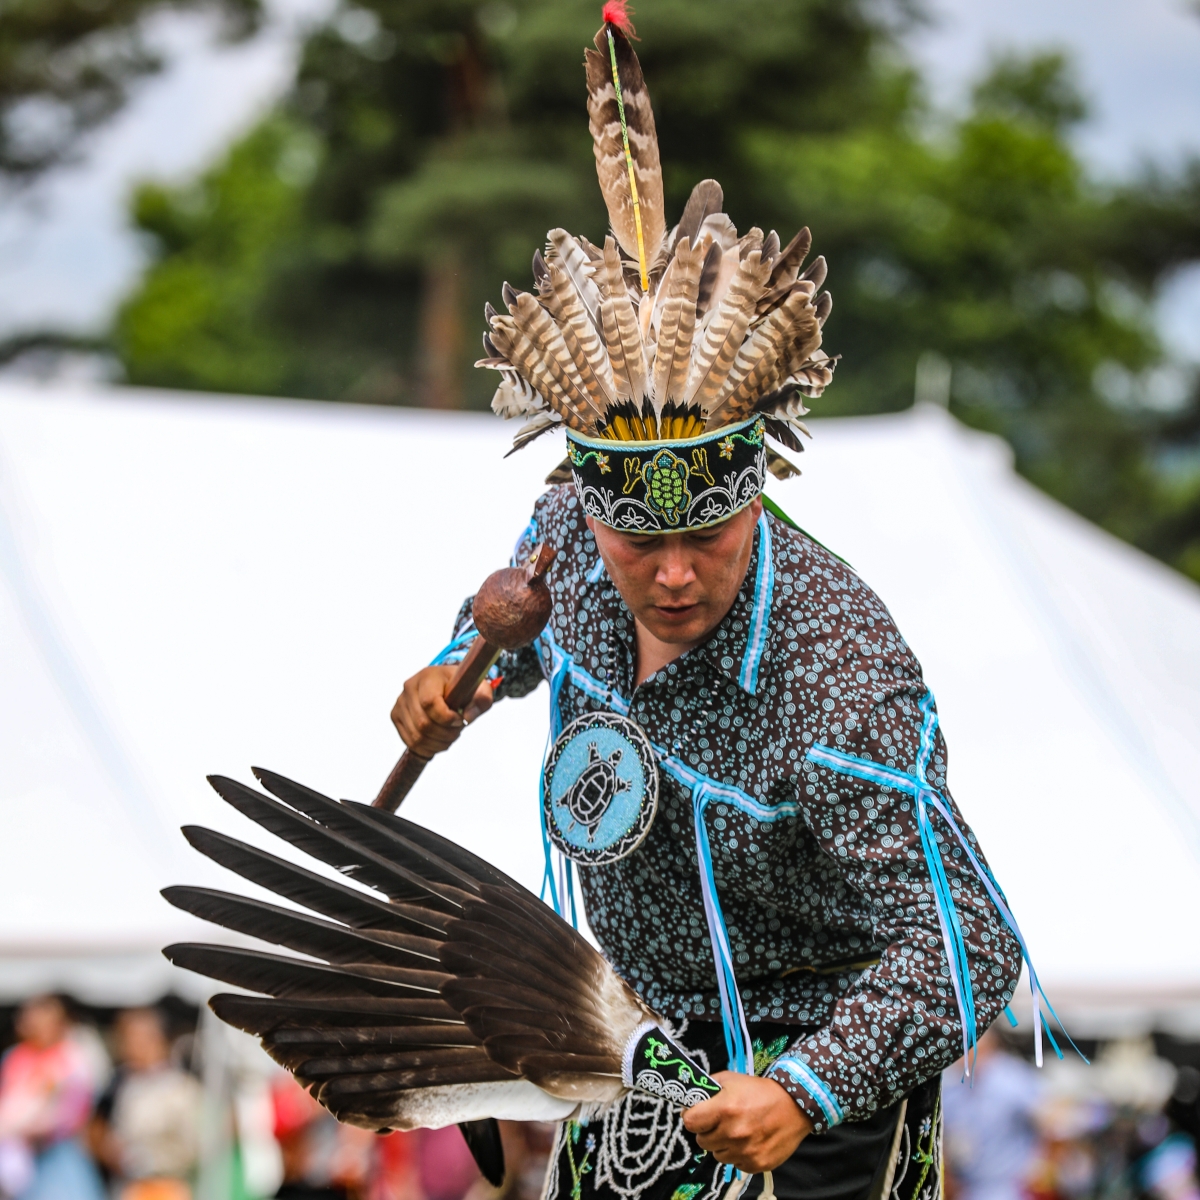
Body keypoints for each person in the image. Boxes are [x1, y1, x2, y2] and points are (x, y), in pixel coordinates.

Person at [387, 16, 1033, 1200]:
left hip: (825, 1069)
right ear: (590, 512)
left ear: (759, 495)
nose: (673, 574)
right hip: (631, 1036)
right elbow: (506, 629)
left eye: (709, 538)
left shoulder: (837, 668)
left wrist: (808, 1090)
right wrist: (450, 681)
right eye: (640, 541)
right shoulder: (568, 544)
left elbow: (967, 944)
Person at [89, 1007, 202, 1200]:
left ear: (157, 1039)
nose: (130, 1047)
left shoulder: (181, 1089)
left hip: (169, 1186)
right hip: (130, 1186)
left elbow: (196, 1146)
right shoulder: (121, 1084)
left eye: (136, 1039)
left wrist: (154, 1160)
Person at [0, 994, 105, 1200]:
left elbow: (77, 1111)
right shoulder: (15, 1057)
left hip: (58, 1152)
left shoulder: (72, 1058)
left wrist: (41, 1125)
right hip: (20, 1154)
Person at [943, 1028, 1043, 1200]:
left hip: (1007, 1188)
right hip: (967, 1189)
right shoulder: (954, 1086)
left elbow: (1049, 1118)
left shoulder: (1011, 1078)